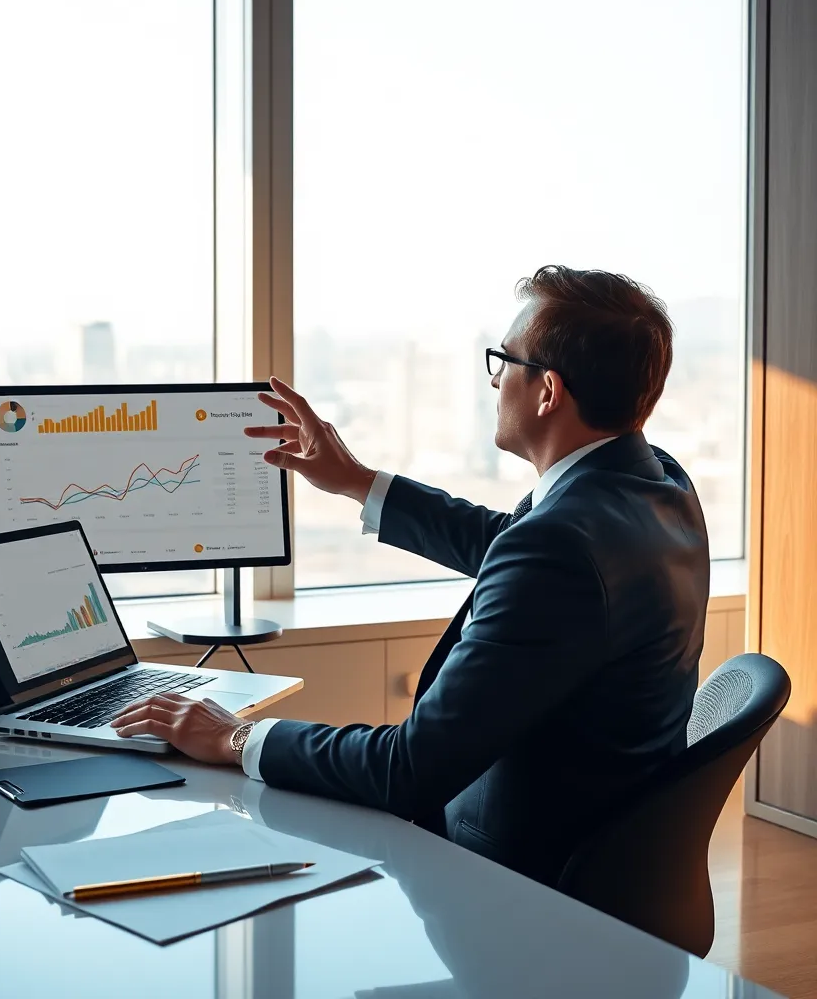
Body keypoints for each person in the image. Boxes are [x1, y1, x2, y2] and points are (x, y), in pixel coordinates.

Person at [111, 264, 710, 886]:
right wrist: (356, 481)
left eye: (504, 360)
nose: (497, 377)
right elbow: (513, 545)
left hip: (518, 882)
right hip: (609, 851)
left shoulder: (559, 545)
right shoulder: (655, 484)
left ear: (547, 391)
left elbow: (405, 771)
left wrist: (238, 738)